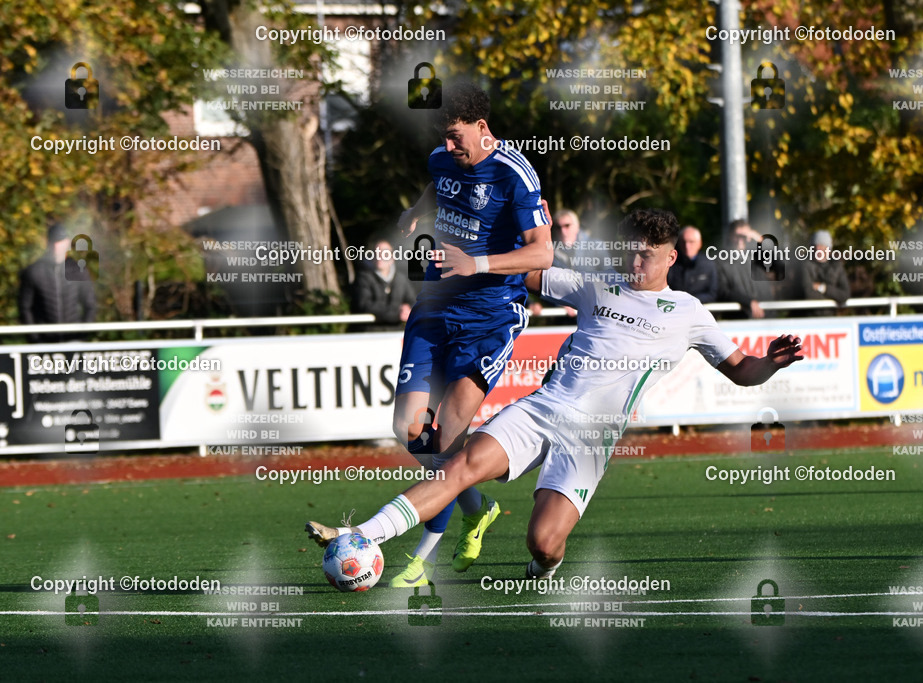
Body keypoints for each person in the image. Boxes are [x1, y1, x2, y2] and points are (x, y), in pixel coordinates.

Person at [306, 209, 803, 579]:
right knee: (458, 465)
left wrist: (769, 364)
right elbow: (528, 270)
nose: (634, 259)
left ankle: (544, 567)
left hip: (592, 436)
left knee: (543, 543)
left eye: (646, 254)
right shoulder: (596, 285)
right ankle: (363, 536)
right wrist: (476, 256)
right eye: (628, 248)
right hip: (542, 408)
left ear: (671, 257)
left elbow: (741, 370)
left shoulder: (690, 311)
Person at [308, 83, 552, 587]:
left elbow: (543, 254)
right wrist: (417, 210)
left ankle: (421, 556)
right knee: (407, 426)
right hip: (436, 305)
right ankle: (475, 506)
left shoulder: (515, 175)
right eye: (443, 137)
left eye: (457, 136)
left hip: (489, 318)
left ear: (482, 128)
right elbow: (437, 184)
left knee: (447, 440)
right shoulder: (442, 160)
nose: (449, 146)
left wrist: (477, 262)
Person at [18, 222, 97, 342]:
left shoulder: (77, 271)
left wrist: (81, 336)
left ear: (67, 243)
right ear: (47, 243)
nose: (56, 246)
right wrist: (35, 339)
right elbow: (25, 308)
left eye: (59, 241)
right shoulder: (34, 271)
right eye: (53, 242)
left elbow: (90, 305)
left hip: (74, 342)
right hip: (44, 344)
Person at [352, 238, 418, 331]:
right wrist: (397, 313)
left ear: (392, 258)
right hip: (370, 335)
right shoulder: (363, 278)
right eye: (377, 253)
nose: (380, 256)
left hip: (395, 334)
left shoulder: (401, 280)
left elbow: (413, 302)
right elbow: (364, 305)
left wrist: (408, 310)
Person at [715, 219, 769, 319]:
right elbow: (722, 291)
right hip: (738, 319)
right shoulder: (721, 261)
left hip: (766, 318)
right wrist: (748, 301)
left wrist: (760, 240)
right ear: (730, 236)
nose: (741, 240)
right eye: (737, 236)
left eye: (744, 236)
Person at [799, 230, 850, 314]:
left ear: (828, 249)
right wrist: (834, 296)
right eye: (815, 245)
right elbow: (807, 294)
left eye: (822, 245)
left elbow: (845, 295)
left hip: (830, 319)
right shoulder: (805, 265)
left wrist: (823, 288)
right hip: (808, 319)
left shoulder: (837, 266)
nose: (818, 248)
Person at [667, 225, 717, 303]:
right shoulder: (670, 264)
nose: (687, 246)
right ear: (679, 243)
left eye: (691, 242)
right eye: (684, 242)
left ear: (700, 243)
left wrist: (690, 300)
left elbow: (713, 293)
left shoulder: (709, 265)